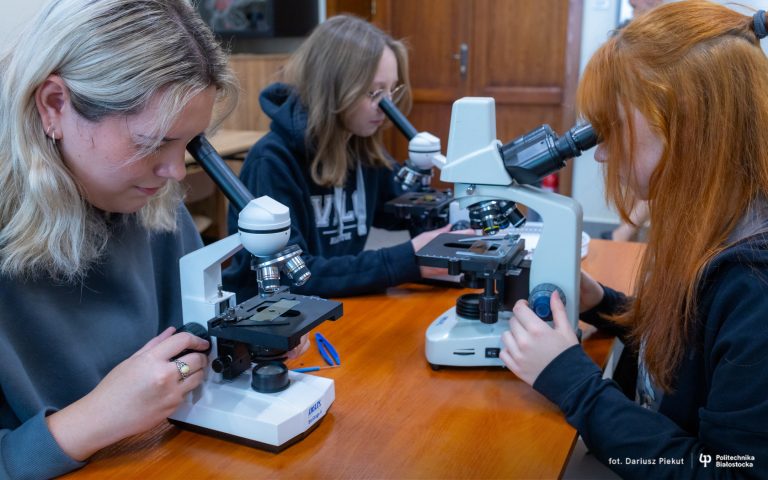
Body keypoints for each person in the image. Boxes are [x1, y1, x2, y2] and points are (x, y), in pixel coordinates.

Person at [500, 1, 768, 477]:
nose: (601, 154)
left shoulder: (754, 286)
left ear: (687, 126)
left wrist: (574, 384)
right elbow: (692, 355)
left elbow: (730, 472)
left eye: (613, 129)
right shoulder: (713, 224)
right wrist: (602, 303)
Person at [0, 1, 249, 477]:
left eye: (190, 143)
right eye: (153, 143)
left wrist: (244, 344)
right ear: (55, 104)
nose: (176, 171)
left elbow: (193, 345)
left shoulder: (151, 201)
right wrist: (93, 420)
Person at [223, 15, 461, 299]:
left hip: (331, 305)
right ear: (332, 88)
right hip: (270, 316)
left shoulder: (361, 148)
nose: (386, 108)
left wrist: (456, 217)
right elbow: (295, 275)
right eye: (374, 92)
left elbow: (405, 213)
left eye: (391, 91)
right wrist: (406, 260)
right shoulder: (272, 162)